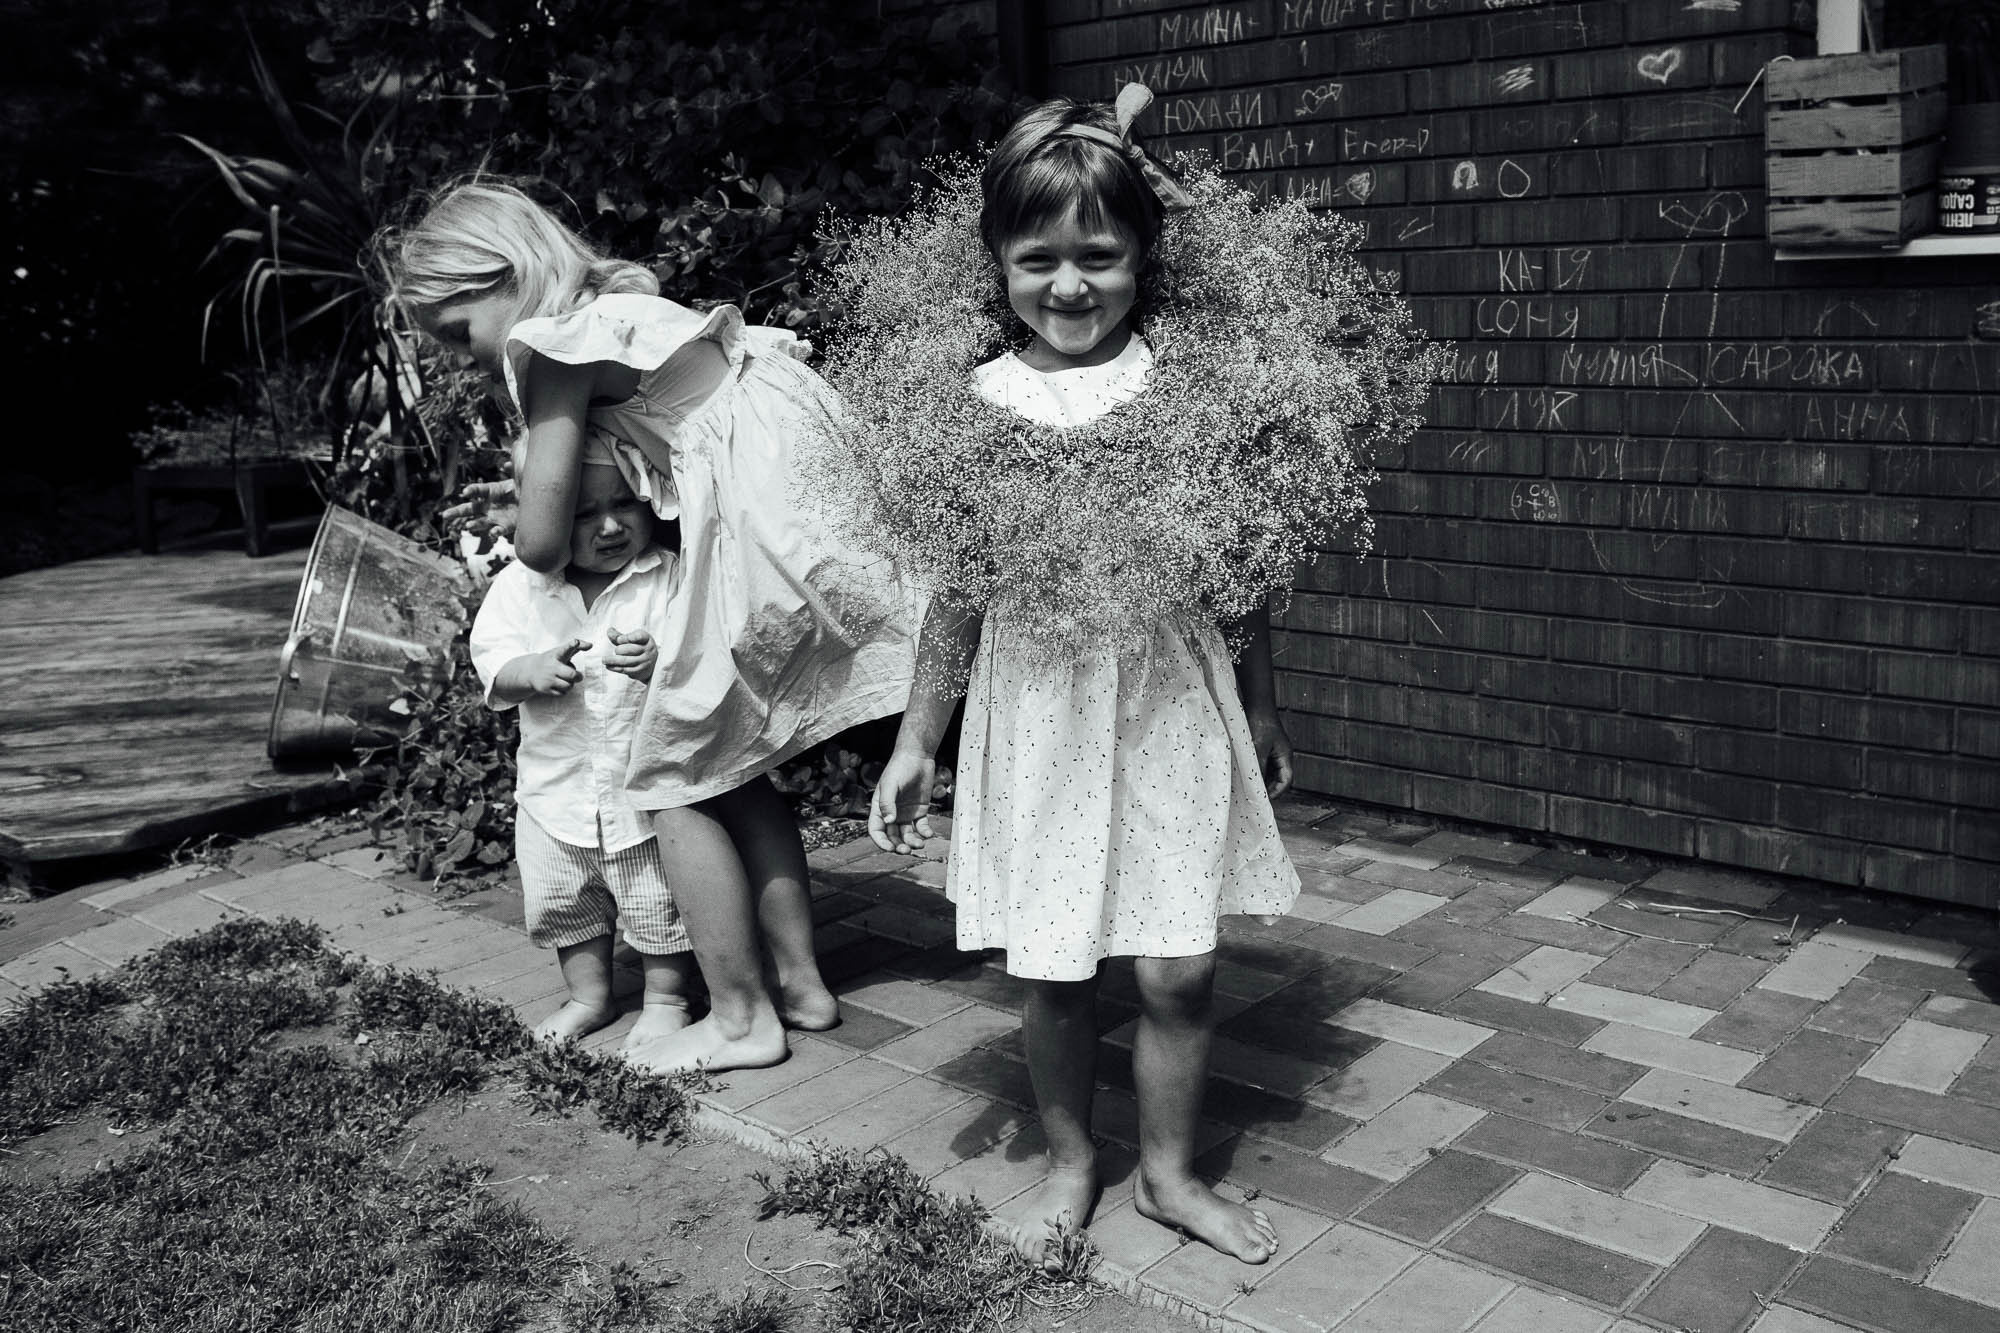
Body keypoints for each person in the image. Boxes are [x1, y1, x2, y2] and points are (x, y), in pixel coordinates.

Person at [867, 90, 1301, 1268]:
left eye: (1098, 257)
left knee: (1178, 963)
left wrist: (1260, 706)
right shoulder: (973, 404)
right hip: (1039, 707)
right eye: (1037, 259)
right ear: (997, 265)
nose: (1068, 285)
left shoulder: (1192, 389)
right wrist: (917, 739)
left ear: (1142, 257)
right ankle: (1072, 1163)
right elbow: (957, 592)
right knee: (1053, 962)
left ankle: (1166, 1175)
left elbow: (1240, 570)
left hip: (1166, 696)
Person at [384, 180, 916, 1073]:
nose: (461, 357)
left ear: (503, 277)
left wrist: (516, 512)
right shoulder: (624, 309)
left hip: (756, 523)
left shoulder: (552, 346)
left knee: (669, 775)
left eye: (456, 331)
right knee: (737, 775)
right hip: (798, 501)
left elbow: (547, 546)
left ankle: (743, 1018)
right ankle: (802, 982)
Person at [470, 446, 696, 1046]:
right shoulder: (523, 587)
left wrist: (657, 662)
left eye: (625, 502)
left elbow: (696, 655)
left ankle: (666, 997)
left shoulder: (666, 575)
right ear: (543, 518)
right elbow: (490, 660)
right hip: (554, 794)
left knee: (660, 902)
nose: (611, 525)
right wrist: (532, 669)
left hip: (640, 794)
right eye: (583, 512)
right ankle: (588, 996)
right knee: (564, 902)